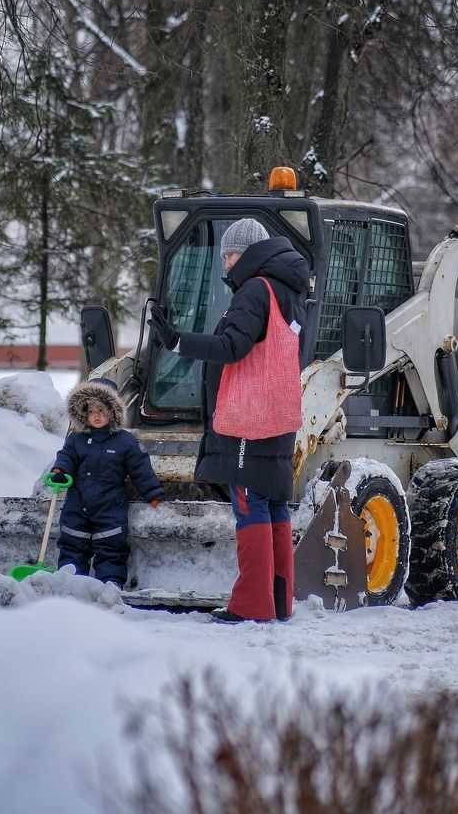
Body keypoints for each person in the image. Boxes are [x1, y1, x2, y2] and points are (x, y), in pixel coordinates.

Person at [149, 217, 310, 623]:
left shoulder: (255, 290)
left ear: (246, 254)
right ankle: (277, 603)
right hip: (279, 413)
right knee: (273, 503)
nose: (225, 263)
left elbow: (232, 347)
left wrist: (176, 340)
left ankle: (251, 606)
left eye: (229, 254)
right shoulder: (288, 291)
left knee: (248, 502)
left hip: (248, 417)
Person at [49, 378, 165, 587]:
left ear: (113, 411)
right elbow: (66, 457)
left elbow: (140, 468)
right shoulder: (76, 439)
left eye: (102, 410)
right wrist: (59, 470)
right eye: (92, 411)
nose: (97, 416)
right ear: (83, 412)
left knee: (111, 548)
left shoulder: (125, 441)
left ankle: (110, 586)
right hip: (77, 504)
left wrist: (153, 492)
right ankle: (72, 585)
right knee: (73, 545)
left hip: (110, 506)